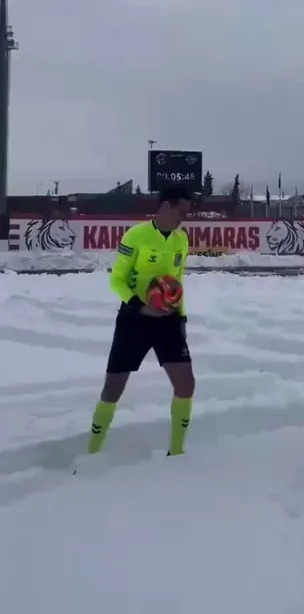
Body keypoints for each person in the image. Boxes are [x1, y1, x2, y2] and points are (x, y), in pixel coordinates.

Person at [87, 184, 194, 458]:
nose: (184, 218)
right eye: (181, 212)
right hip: (134, 319)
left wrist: (181, 316)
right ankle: (93, 451)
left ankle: (177, 453)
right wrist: (141, 306)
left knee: (186, 384)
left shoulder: (181, 240)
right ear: (167, 206)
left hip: (168, 319)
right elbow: (117, 280)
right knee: (112, 389)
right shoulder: (136, 236)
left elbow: (178, 280)